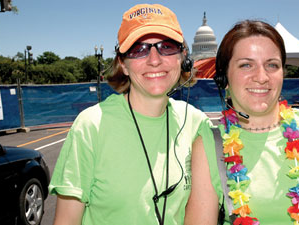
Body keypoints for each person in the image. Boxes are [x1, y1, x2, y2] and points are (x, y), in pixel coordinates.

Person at [48, 4, 219, 225]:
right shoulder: (91, 125)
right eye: (139, 49)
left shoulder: (197, 124)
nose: (154, 59)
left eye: (166, 46)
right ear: (123, 64)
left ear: (183, 57)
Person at [206, 20, 299, 224]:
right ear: (224, 79)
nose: (262, 77)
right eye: (246, 65)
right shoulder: (209, 144)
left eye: (272, 65)